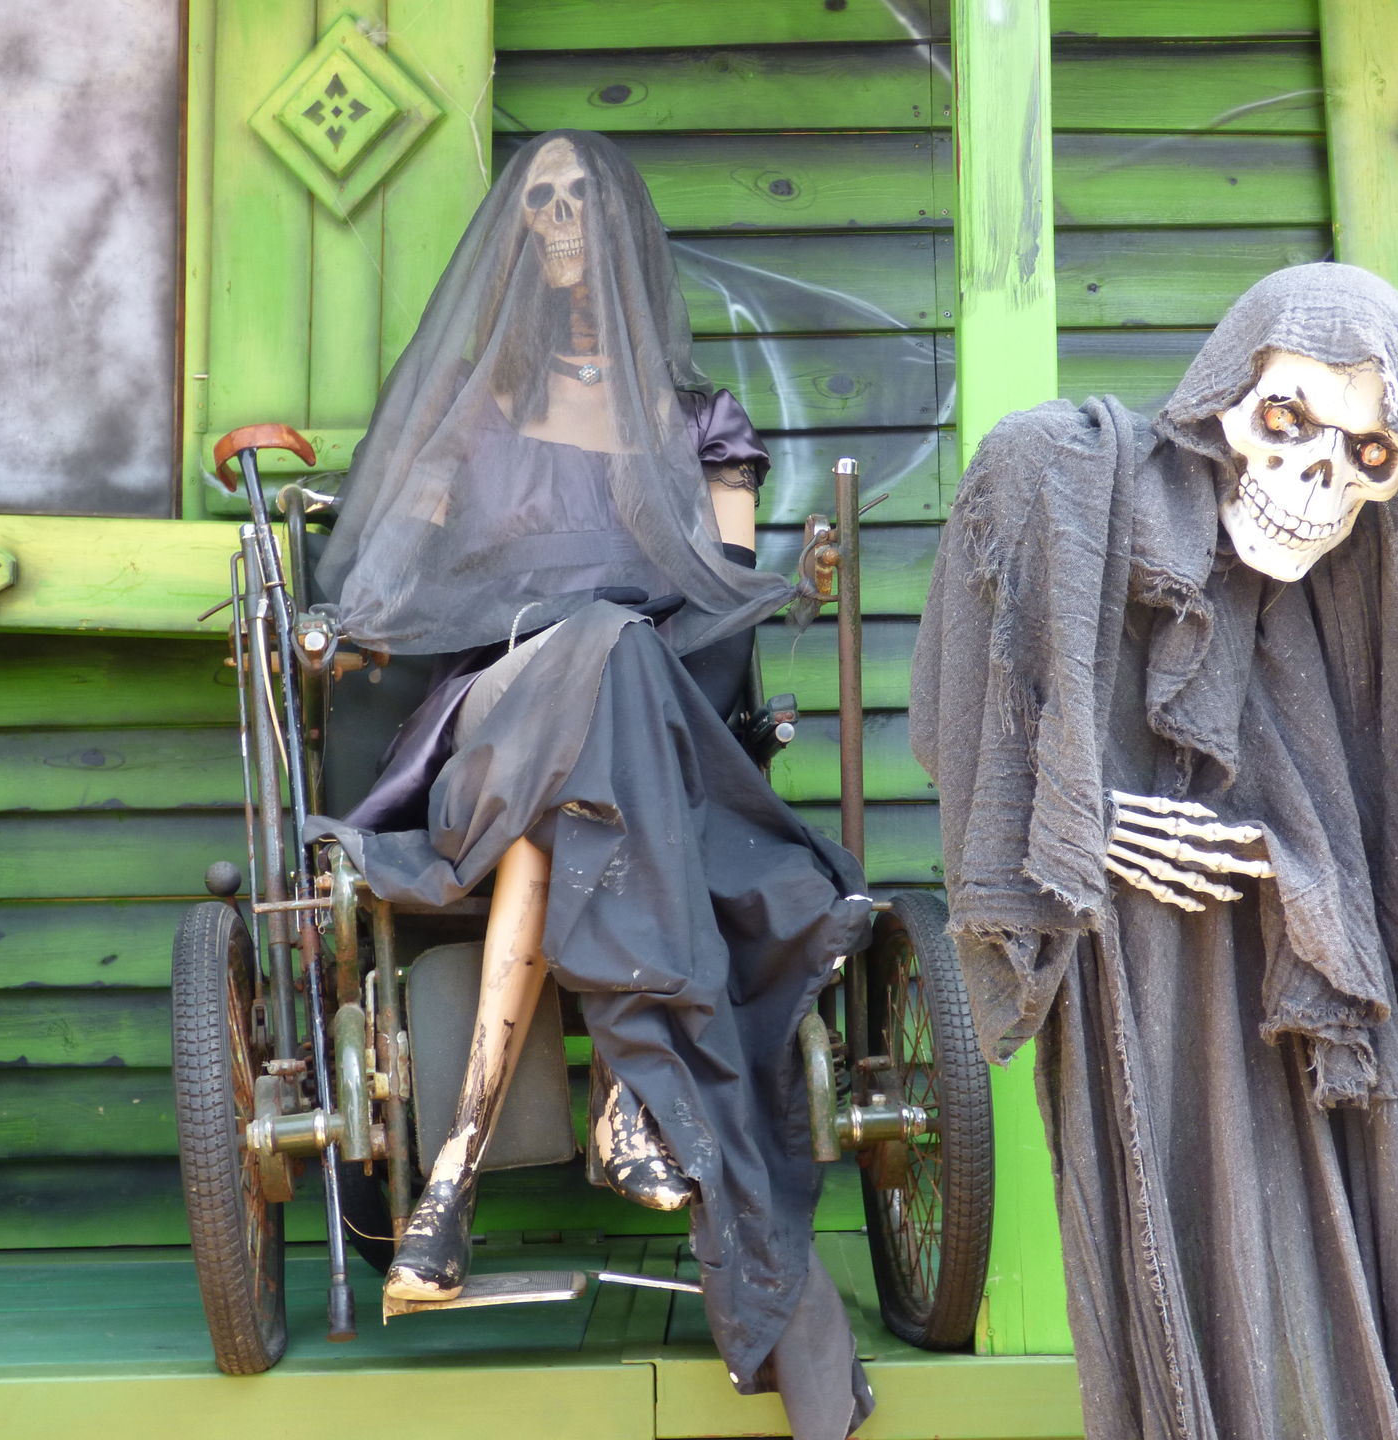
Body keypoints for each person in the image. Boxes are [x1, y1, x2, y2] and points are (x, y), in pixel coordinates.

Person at [914, 264, 1398, 1440]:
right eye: (1288, 422)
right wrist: (1075, 819)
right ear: (1227, 390)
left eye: (1366, 455)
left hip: (1318, 980)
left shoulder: (1367, 574)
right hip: (1147, 969)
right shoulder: (1066, 478)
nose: (1319, 479)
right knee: (1180, 1259)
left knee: (1349, 1271)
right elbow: (962, 707)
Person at [307, 129, 875, 1439]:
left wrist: (755, 597)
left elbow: (719, 609)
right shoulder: (474, 416)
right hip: (487, 727)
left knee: (600, 717)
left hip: (628, 748)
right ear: (519, 233)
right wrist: (357, 625)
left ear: (619, 228)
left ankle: (449, 1184)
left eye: (580, 199)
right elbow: (394, 580)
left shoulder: (698, 423)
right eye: (539, 201)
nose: (558, 219)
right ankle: (636, 1092)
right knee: (599, 652)